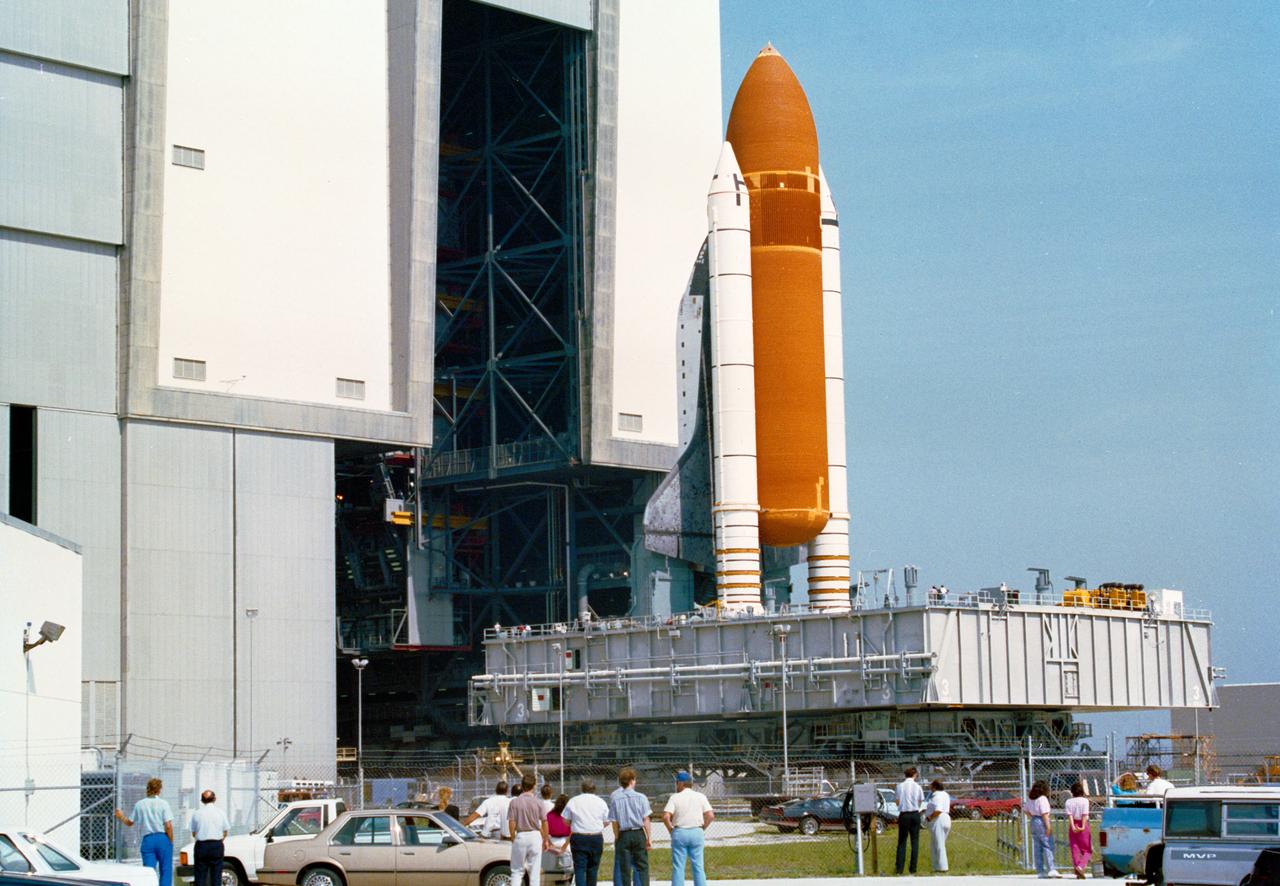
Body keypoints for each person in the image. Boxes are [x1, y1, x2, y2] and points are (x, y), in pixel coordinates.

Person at [114, 777, 175, 886]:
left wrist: (121, 816)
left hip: (147, 839)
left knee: (149, 872)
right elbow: (168, 826)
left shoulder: (140, 804)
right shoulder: (163, 803)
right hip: (162, 838)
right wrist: (170, 841)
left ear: (147, 789)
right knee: (166, 870)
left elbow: (130, 822)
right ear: (159, 790)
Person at [662, 771, 714, 886]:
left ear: (681, 783)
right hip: (697, 831)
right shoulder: (701, 796)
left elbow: (666, 816)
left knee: (678, 866)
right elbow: (710, 815)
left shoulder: (675, 797)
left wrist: (671, 830)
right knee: (698, 866)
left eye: (677, 783)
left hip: (680, 832)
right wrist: (703, 828)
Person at [608, 767, 652, 886]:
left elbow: (614, 822)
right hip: (638, 833)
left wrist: (617, 837)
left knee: (624, 867)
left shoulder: (615, 799)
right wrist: (648, 837)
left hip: (624, 834)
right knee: (642, 865)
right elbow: (646, 819)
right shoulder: (641, 797)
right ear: (632, 781)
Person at [507, 774, 548, 886]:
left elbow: (511, 822)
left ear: (522, 786)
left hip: (521, 834)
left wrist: (512, 837)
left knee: (517, 871)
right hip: (535, 836)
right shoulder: (539, 802)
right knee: (534, 872)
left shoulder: (514, 802)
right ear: (534, 786)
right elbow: (544, 822)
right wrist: (546, 839)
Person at [189, 790, 230, 886]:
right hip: (216, 845)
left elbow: (193, 833)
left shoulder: (197, 813)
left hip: (202, 846)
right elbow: (225, 831)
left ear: (202, 801)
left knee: (200, 876)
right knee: (216, 876)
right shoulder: (221, 813)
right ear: (214, 799)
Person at [894, 766, 925, 875]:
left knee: (902, 842)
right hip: (915, 814)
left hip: (904, 815)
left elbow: (897, 801)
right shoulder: (918, 786)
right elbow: (920, 801)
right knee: (914, 842)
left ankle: (899, 869)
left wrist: (902, 805)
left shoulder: (899, 786)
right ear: (915, 775)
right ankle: (913, 869)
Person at [1026, 780, 1058, 878]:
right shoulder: (1042, 798)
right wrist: (1048, 826)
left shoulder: (1030, 798)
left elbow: (1026, 810)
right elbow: (1044, 814)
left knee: (1037, 847)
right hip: (1041, 821)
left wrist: (1033, 816)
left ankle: (1040, 871)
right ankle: (1051, 868)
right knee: (1047, 844)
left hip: (1033, 821)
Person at [1065, 782, 1092, 880]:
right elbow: (1085, 814)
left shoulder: (1068, 802)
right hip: (1082, 823)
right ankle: (1081, 866)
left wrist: (1072, 826)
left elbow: (1070, 816)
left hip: (1073, 825)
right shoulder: (1085, 801)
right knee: (1087, 850)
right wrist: (1083, 826)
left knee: (1075, 848)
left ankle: (1077, 867)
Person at [924, 779, 951, 874]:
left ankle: (943, 867)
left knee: (938, 844)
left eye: (931, 786)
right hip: (946, 818)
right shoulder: (945, 794)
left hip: (938, 819)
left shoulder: (937, 796)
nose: (930, 788)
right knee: (937, 844)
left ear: (935, 787)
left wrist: (929, 817)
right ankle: (936, 866)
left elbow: (938, 810)